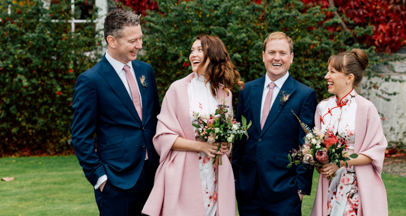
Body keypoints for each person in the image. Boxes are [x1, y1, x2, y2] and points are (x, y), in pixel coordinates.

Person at [71, 9, 161, 216]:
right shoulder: (90, 80)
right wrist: (100, 178)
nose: (139, 45)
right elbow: (81, 135)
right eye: (132, 40)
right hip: (116, 181)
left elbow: (154, 119)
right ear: (111, 40)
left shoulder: (145, 70)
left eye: (140, 38)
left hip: (154, 175)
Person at [142, 35, 241, 216]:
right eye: (191, 50)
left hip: (216, 171)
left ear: (213, 55)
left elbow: (228, 133)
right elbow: (162, 137)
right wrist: (201, 146)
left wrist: (225, 144)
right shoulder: (177, 89)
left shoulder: (224, 93)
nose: (193, 54)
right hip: (184, 172)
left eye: (199, 50)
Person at [232, 31, 318, 216]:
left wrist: (301, 188)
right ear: (263, 56)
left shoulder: (304, 95)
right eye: (271, 52)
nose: (276, 58)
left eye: (282, 53)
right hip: (248, 190)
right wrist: (235, 179)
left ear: (291, 57)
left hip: (285, 191)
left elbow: (307, 144)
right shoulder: (247, 90)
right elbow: (240, 138)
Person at [311, 49, 388, 216]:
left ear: (349, 78)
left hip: (356, 186)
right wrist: (319, 161)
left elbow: (375, 152)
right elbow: (317, 145)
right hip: (330, 184)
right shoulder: (322, 108)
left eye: (332, 72)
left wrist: (340, 162)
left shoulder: (366, 108)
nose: (326, 76)